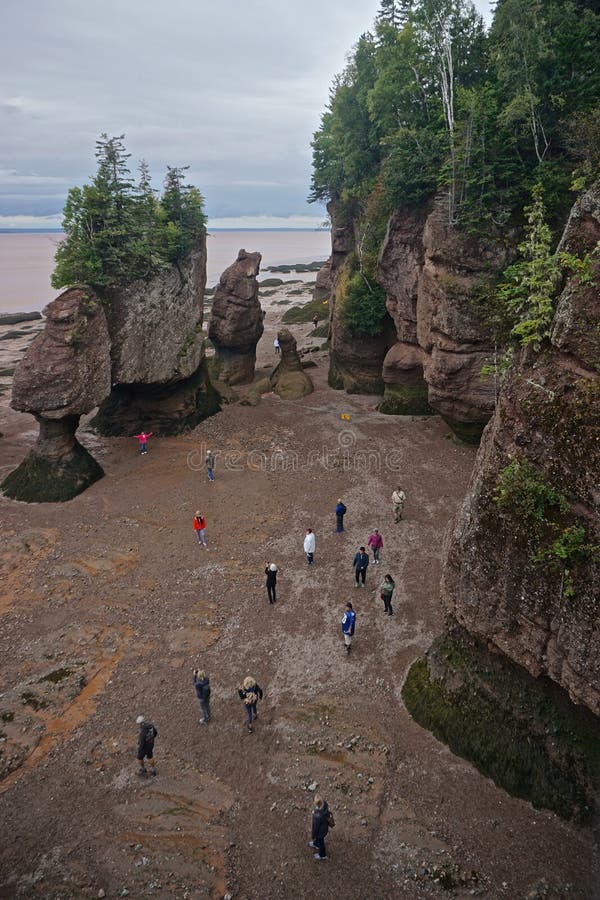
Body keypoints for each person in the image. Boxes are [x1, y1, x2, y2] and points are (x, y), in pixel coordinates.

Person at [309, 794, 330, 860]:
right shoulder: (325, 805)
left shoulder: (317, 816)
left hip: (320, 832)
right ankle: (316, 844)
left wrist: (313, 835)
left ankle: (322, 855)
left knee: (321, 843)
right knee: (319, 840)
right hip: (324, 829)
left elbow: (315, 827)